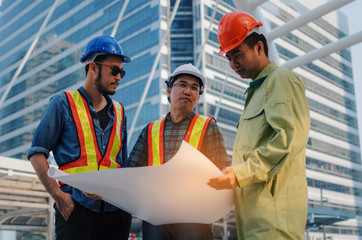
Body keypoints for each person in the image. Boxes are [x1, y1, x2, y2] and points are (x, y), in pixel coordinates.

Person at [207, 11, 311, 240]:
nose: (234, 64)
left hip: (273, 216)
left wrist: (238, 173)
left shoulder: (281, 80)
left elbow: (289, 139)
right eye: (229, 58)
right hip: (252, 217)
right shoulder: (255, 94)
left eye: (238, 55)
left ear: (260, 48)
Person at [27, 36, 132, 240]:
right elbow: (37, 153)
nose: (119, 77)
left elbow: (123, 166)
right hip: (77, 210)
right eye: (115, 70)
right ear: (93, 67)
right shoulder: (61, 103)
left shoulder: (120, 112)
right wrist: (59, 196)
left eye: (122, 72)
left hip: (116, 213)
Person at [125, 63, 229, 240]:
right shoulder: (150, 130)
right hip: (156, 217)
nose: (188, 91)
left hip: (194, 217)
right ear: (168, 90)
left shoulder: (208, 127)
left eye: (194, 88)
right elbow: (130, 171)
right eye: (182, 84)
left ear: (198, 97)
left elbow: (221, 173)